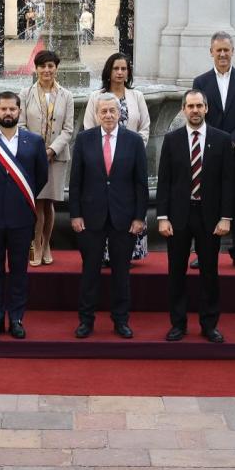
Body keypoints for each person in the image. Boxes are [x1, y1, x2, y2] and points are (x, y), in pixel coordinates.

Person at [155, 89, 234, 343]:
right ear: (183, 109)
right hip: (178, 215)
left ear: (206, 108)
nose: (195, 110)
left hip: (209, 217)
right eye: (190, 106)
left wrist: (226, 217)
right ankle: (178, 324)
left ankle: (209, 325)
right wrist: (162, 217)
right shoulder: (172, 140)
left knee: (209, 272)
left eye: (199, 106)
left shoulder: (222, 140)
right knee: (176, 272)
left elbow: (228, 182)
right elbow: (164, 181)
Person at [0, 91, 49, 339]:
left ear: (19, 111)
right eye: (3, 109)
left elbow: (41, 177)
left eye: (12, 109)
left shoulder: (34, 142)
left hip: (21, 218)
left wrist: (18, 198)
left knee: (19, 271)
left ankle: (16, 318)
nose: (8, 113)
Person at [69, 93, 148, 339]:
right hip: (90, 217)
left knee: (121, 274)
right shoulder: (84, 139)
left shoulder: (134, 141)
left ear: (120, 113)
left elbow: (141, 183)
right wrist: (75, 215)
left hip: (124, 218)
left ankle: (121, 321)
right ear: (96, 114)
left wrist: (139, 217)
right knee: (90, 272)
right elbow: (75, 181)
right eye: (103, 111)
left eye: (112, 111)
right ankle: (86, 321)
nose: (108, 115)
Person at [191, 31, 235, 270]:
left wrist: (231, 140)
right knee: (208, 204)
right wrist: (218, 142)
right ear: (211, 52)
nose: (222, 54)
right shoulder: (201, 82)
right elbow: (198, 115)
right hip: (209, 153)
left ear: (232, 52)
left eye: (226, 50)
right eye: (218, 50)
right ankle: (205, 252)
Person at [83, 52, 153, 263]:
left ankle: (129, 253)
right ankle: (104, 255)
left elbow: (145, 127)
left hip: (129, 164)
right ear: (108, 71)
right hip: (102, 164)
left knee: (130, 201)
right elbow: (88, 127)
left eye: (124, 69)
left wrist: (131, 152)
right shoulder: (96, 97)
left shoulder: (137, 96)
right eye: (116, 68)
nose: (120, 72)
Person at [18, 50, 74, 267]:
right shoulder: (25, 94)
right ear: (36, 68)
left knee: (49, 201)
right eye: (42, 66)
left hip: (56, 157)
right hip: (32, 157)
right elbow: (21, 124)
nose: (46, 70)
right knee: (37, 202)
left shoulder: (67, 96)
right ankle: (36, 243)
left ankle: (47, 242)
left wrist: (51, 150)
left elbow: (68, 130)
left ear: (56, 68)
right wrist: (36, 149)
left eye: (51, 66)